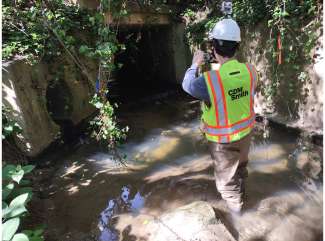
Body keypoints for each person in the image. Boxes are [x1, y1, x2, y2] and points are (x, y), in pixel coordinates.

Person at [182, 18, 258, 213]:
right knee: (240, 168)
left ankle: (238, 216)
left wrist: (195, 64)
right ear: (237, 46)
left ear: (213, 48)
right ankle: (244, 196)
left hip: (223, 142)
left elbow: (187, 85)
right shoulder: (250, 71)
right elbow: (237, 93)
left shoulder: (209, 80)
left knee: (227, 184)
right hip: (246, 134)